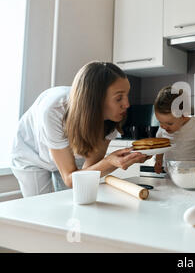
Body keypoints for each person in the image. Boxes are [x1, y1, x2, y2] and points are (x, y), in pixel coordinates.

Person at [10, 62, 149, 197]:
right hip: (31, 156)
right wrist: (109, 162)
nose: (127, 104)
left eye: (127, 95)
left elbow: (88, 173)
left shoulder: (110, 121)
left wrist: (118, 161)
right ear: (96, 99)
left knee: (73, 201)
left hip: (69, 155)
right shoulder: (54, 109)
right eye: (119, 98)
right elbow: (70, 179)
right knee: (39, 207)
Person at [153, 86, 195, 174]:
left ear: (184, 116)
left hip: (193, 174)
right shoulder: (162, 129)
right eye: (160, 122)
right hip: (171, 174)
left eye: (169, 123)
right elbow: (160, 145)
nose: (163, 127)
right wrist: (158, 160)